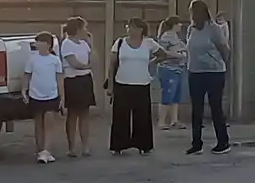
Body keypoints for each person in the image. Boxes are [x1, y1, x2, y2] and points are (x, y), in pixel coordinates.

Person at [108, 19, 167, 155]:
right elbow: (112, 65)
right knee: (120, 116)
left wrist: (152, 62)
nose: (129, 29)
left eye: (133, 27)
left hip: (142, 84)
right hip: (122, 83)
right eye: (128, 27)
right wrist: (110, 86)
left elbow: (162, 54)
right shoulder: (120, 43)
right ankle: (118, 145)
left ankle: (143, 145)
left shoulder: (148, 43)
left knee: (142, 116)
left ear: (141, 29)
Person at [184, 0, 232, 155]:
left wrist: (221, 64)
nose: (190, 13)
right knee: (196, 109)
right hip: (195, 72)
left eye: (192, 10)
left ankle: (223, 142)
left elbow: (224, 48)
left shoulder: (214, 29)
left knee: (215, 107)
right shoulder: (191, 29)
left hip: (214, 73)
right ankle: (196, 143)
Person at [24, 31, 65, 164]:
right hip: (35, 94)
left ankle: (47, 150)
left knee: (49, 123)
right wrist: (24, 90)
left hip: (51, 95)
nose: (38, 45)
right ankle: (40, 150)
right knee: (38, 124)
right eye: (37, 42)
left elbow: (59, 79)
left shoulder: (55, 60)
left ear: (48, 45)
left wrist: (62, 96)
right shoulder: (32, 59)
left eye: (40, 42)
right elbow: (26, 75)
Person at [58, 17, 96, 157]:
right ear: (78, 29)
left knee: (85, 114)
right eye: (84, 28)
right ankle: (72, 147)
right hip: (73, 80)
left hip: (85, 79)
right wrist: (87, 66)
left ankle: (85, 146)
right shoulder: (67, 44)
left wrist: (91, 45)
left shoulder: (84, 44)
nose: (86, 31)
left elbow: (93, 59)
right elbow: (74, 63)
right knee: (73, 114)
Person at [155, 16, 188, 130]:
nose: (180, 25)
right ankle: (162, 121)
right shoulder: (166, 36)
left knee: (176, 96)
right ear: (174, 24)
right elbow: (161, 52)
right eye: (178, 23)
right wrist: (177, 55)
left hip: (178, 69)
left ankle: (174, 120)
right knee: (167, 94)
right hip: (168, 69)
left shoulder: (176, 37)